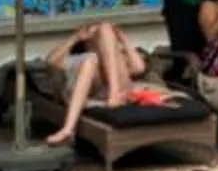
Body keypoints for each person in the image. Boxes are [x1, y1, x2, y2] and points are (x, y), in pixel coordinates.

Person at [40, 17, 157, 145]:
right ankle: (68, 129)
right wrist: (76, 37)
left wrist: (122, 38)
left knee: (105, 27)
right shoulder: (82, 59)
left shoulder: (117, 57)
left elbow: (138, 68)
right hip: (95, 85)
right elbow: (51, 61)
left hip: (117, 87)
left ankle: (113, 92)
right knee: (90, 60)